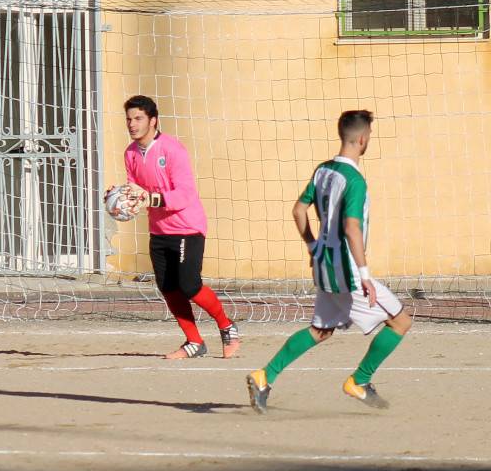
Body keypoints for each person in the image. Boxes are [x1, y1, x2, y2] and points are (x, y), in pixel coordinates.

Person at [246, 110, 412, 413]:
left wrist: (312, 244)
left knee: (320, 329)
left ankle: (263, 376)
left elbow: (298, 210)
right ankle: (359, 381)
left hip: (323, 264)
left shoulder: (323, 171)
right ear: (362, 139)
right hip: (346, 271)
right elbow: (351, 227)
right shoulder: (355, 180)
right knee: (400, 321)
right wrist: (364, 274)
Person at [117, 95, 241, 359]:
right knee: (169, 288)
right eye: (129, 119)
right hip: (159, 230)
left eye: (138, 118)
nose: (132, 124)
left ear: (153, 120)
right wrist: (122, 200)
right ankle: (194, 342)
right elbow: (135, 190)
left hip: (187, 227)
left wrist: (151, 198)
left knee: (189, 284)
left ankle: (227, 326)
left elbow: (184, 193)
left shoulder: (172, 149)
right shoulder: (130, 153)